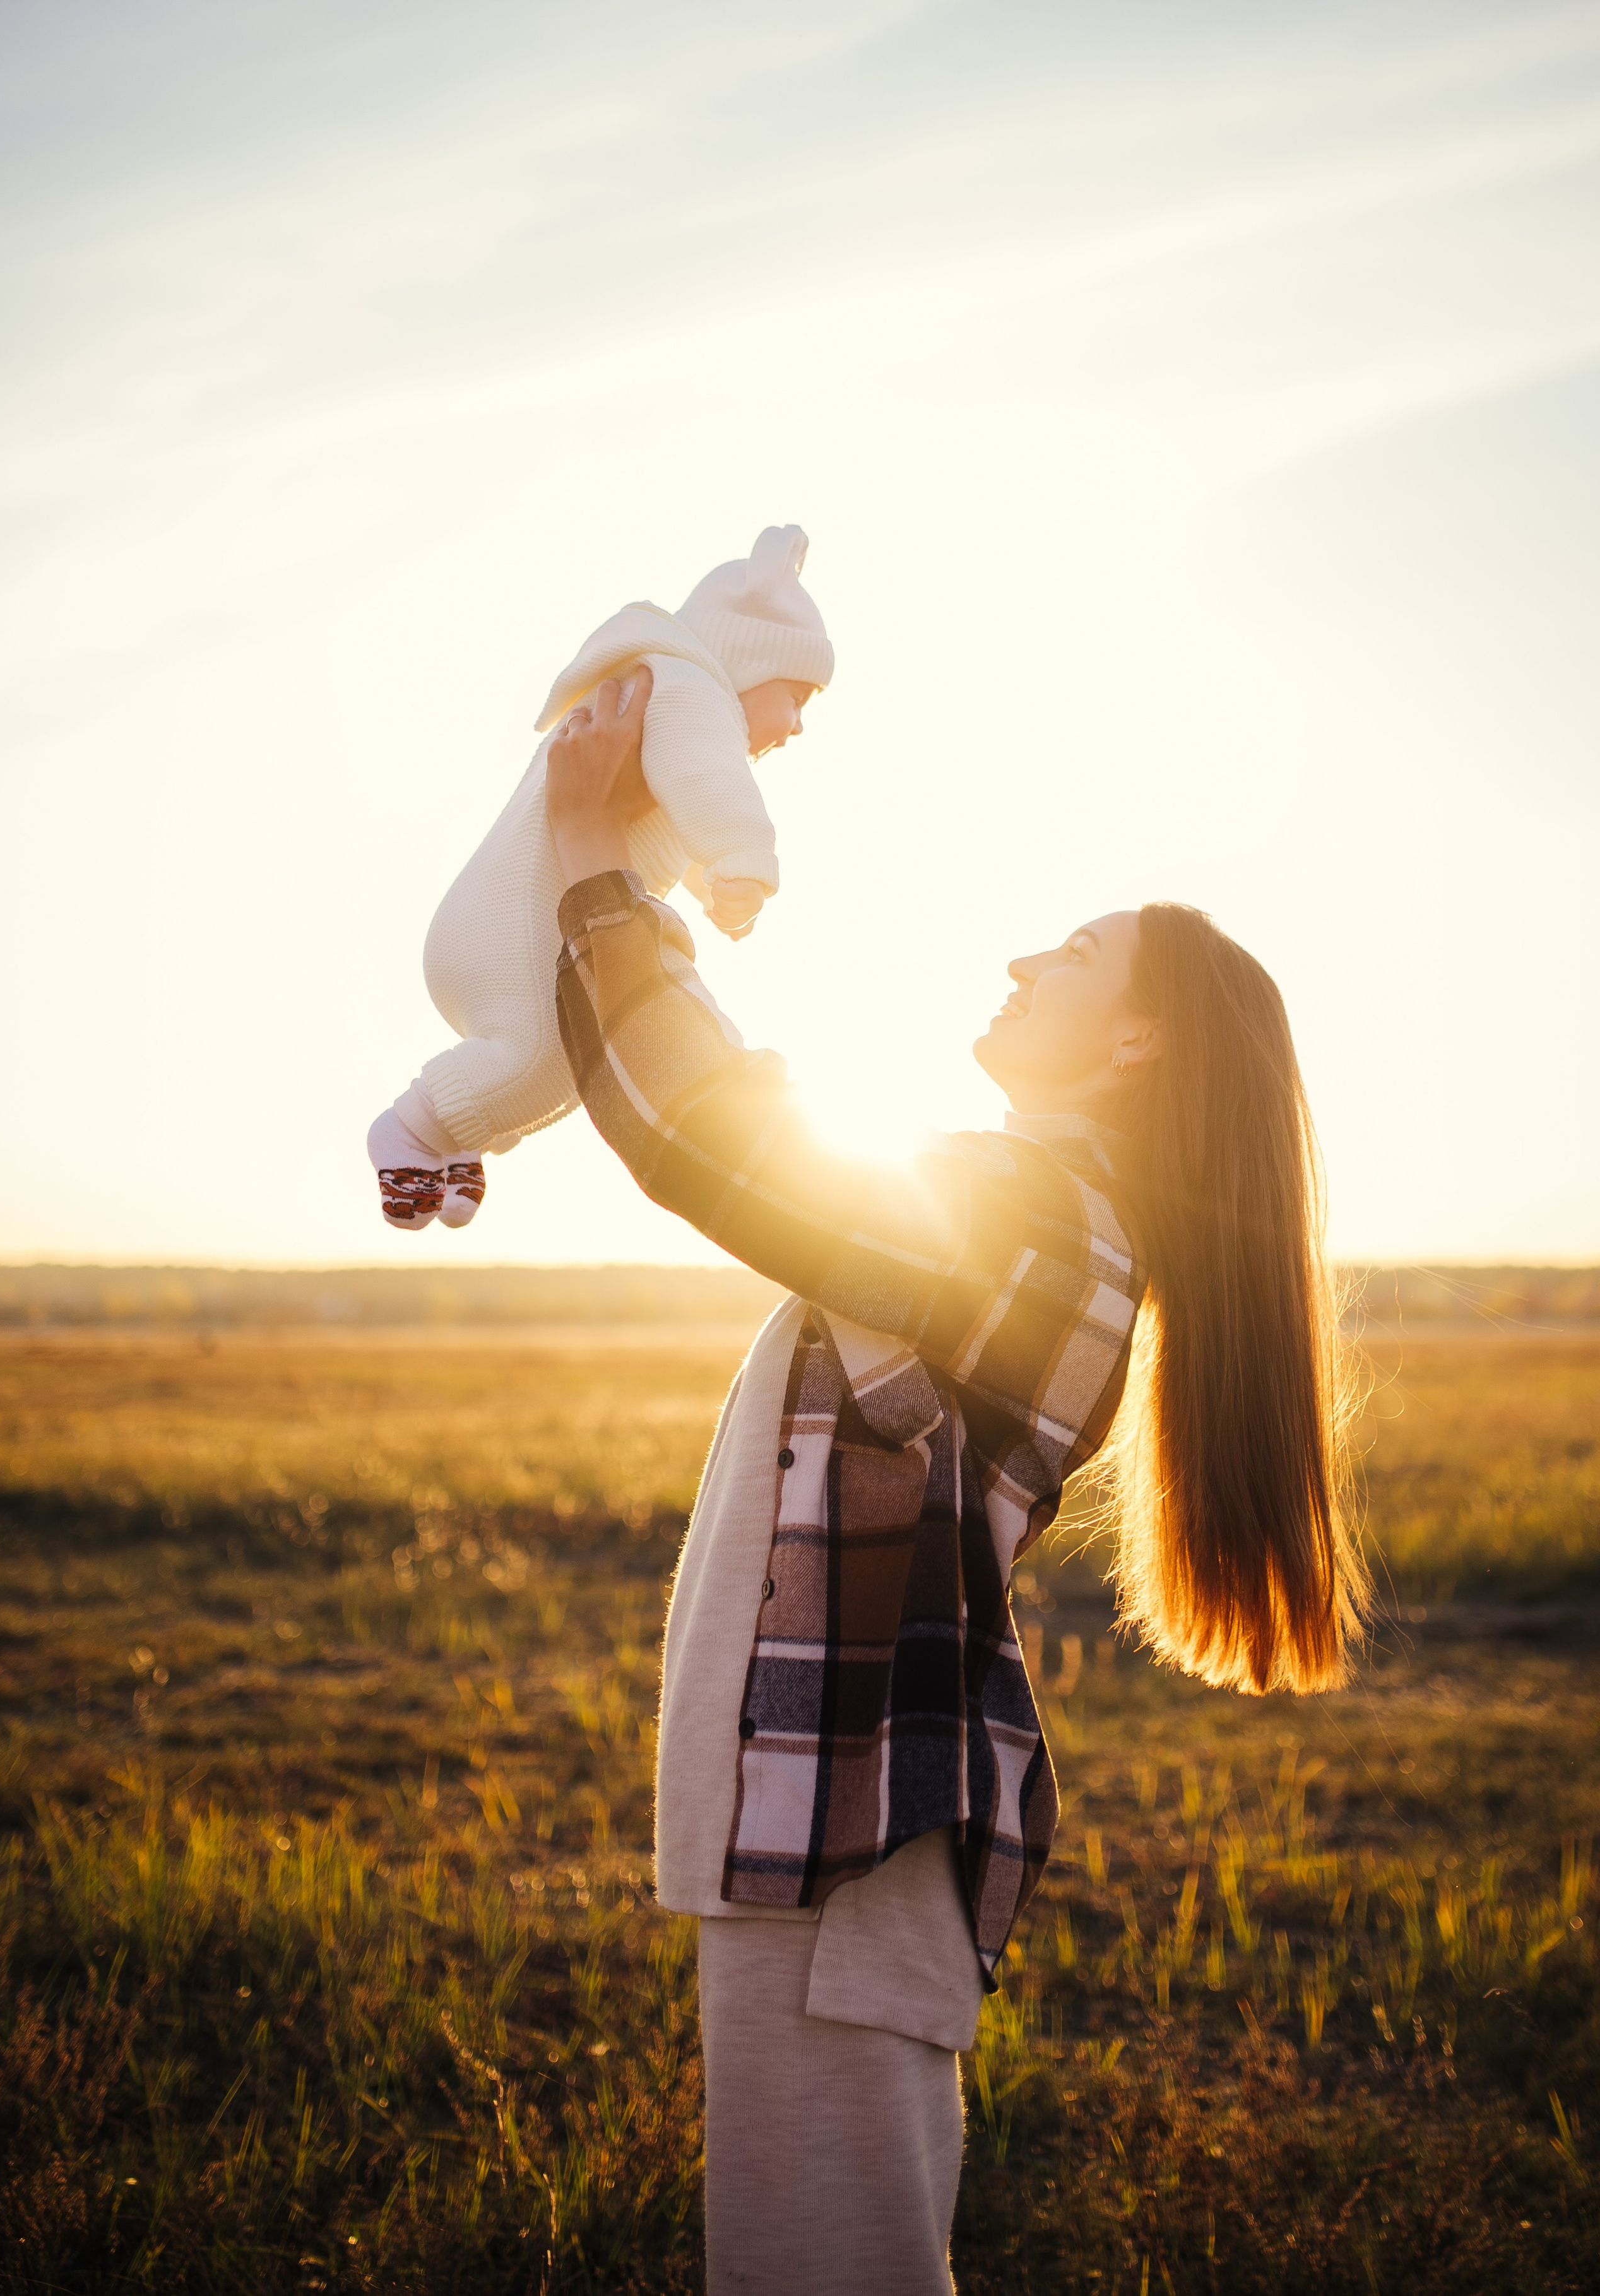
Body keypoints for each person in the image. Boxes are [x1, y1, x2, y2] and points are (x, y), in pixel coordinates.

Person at [545, 670, 1369, 2295]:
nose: (1016, 958)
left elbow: (705, 1131)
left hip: (849, 1815)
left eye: (1068, 952)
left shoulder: (1038, 1218)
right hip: (838, 1812)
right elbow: (739, 1126)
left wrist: (595, 861)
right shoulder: (1027, 1206)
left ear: (1133, 1037)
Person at [365, 526, 832, 1231]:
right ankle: (415, 1126)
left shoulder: (667, 700)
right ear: (747, 659)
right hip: (508, 935)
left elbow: (682, 804)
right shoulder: (691, 690)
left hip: (491, 927)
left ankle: (457, 1139)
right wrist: (747, 862)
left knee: (577, 1052)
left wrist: (714, 884)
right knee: (556, 1053)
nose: (797, 727)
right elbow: (711, 784)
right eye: (797, 697)